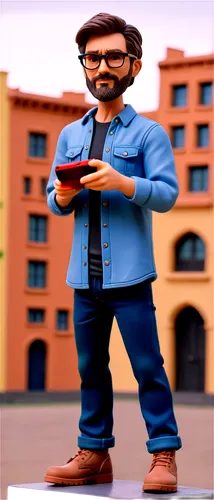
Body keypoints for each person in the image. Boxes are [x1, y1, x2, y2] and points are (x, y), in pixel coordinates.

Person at [44, 12, 182, 493]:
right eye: (93, 58)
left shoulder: (149, 135)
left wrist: (125, 183)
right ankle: (93, 451)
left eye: (113, 57)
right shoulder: (69, 135)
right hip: (84, 279)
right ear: (84, 65)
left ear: (134, 66)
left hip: (130, 277)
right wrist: (61, 197)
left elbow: (167, 194)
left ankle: (163, 452)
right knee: (89, 368)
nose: (102, 66)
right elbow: (52, 197)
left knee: (147, 366)